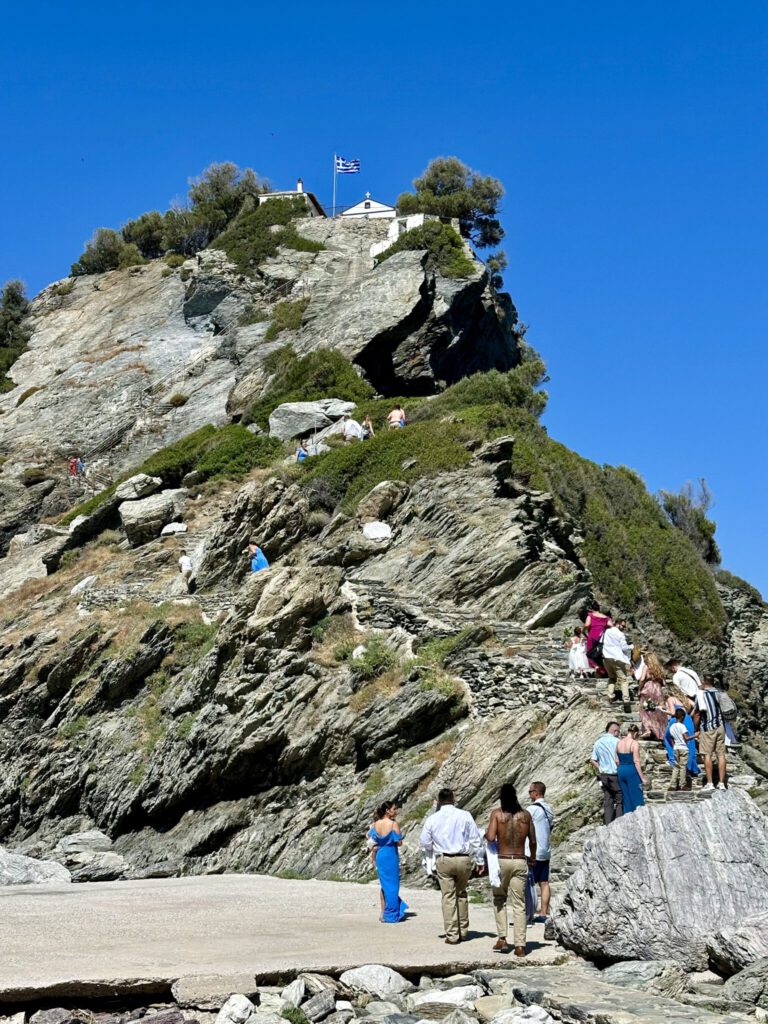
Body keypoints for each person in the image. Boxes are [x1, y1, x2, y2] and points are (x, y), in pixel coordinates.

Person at [420, 788, 484, 945]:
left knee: (448, 897)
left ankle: (452, 934)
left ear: (439, 801)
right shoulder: (465, 815)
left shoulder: (433, 819)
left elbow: (425, 842)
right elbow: (476, 839)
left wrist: (434, 848)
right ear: (453, 799)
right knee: (461, 893)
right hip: (463, 859)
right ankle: (463, 930)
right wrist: (480, 860)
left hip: (444, 859)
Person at [485, 783, 536, 956]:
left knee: (500, 899)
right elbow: (534, 841)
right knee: (519, 904)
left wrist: (486, 833)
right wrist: (533, 858)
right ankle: (520, 945)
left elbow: (491, 837)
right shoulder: (526, 815)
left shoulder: (497, 814)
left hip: (502, 860)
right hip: (520, 859)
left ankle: (502, 938)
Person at [368, 800, 408, 923]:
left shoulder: (376, 824)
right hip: (390, 855)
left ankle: (383, 911)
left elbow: (369, 836)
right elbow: (399, 842)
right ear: (388, 810)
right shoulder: (393, 824)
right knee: (393, 884)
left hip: (380, 854)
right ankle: (390, 914)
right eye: (394, 809)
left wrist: (375, 846)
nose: (396, 811)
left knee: (385, 884)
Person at [526, 782, 554, 921]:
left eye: (530, 791)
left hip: (533, 850)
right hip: (545, 850)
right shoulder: (548, 808)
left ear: (536, 793)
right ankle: (543, 913)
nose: (529, 794)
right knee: (544, 882)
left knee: (529, 883)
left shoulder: (532, 809)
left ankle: (528, 914)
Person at [663, 690, 700, 783]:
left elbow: (672, 712)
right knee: (689, 743)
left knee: (667, 738)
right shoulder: (685, 699)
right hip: (688, 719)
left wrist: (662, 710)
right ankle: (691, 766)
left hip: (676, 720)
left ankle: (673, 758)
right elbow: (695, 706)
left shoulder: (671, 699)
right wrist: (690, 715)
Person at [697, 676, 727, 791]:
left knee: (707, 754)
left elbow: (698, 714)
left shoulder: (702, 694)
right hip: (721, 727)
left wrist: (695, 728)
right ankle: (721, 783)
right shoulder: (720, 693)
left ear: (704, 682)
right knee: (721, 755)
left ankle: (710, 783)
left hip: (708, 727)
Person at [591, 722, 623, 824]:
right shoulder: (617, 741)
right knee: (620, 799)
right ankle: (619, 823)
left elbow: (593, 760)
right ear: (615, 731)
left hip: (604, 775)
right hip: (615, 774)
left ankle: (608, 823)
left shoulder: (598, 742)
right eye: (618, 731)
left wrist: (600, 768)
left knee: (608, 799)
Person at [602, 616, 633, 710]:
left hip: (606, 658)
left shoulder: (606, 631)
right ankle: (626, 700)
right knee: (623, 679)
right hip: (617, 659)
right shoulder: (620, 635)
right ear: (618, 623)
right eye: (623, 626)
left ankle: (611, 696)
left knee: (612, 678)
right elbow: (624, 648)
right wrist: (631, 646)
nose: (623, 628)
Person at [616, 724, 647, 812]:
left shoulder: (619, 742)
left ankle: (627, 817)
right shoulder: (634, 743)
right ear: (635, 733)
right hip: (631, 770)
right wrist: (642, 778)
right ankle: (640, 817)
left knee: (626, 797)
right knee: (637, 796)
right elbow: (636, 761)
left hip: (621, 770)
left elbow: (617, 760)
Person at [638, 653, 669, 740]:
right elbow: (664, 682)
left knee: (644, 710)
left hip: (648, 689)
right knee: (657, 711)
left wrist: (639, 689)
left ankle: (648, 729)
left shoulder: (646, 667)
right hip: (658, 690)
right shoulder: (660, 669)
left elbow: (642, 679)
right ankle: (659, 732)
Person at [668, 707, 694, 791]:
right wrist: (695, 736)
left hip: (676, 748)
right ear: (682, 716)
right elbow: (686, 738)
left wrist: (675, 745)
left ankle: (673, 784)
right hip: (683, 748)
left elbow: (671, 739)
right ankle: (682, 784)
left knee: (676, 767)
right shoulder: (682, 726)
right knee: (683, 767)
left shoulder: (671, 727)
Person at [584, 602, 611, 676]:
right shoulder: (605, 617)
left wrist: (584, 630)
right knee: (600, 653)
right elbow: (610, 625)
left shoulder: (591, 615)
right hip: (602, 636)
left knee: (590, 653)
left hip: (593, 635)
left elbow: (587, 624)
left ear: (592, 609)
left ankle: (596, 667)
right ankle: (604, 670)